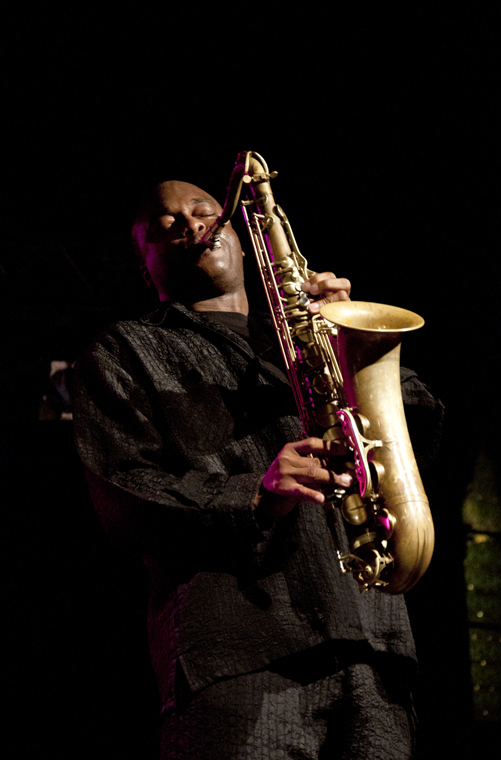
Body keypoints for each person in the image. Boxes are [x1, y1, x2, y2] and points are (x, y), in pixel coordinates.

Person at [72, 178, 442, 759]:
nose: (192, 223)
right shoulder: (125, 351)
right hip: (240, 653)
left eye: (204, 210)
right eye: (166, 224)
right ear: (146, 268)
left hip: (375, 647)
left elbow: (412, 434)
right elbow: (124, 491)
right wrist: (256, 495)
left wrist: (345, 337)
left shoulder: (309, 336)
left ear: (244, 242)